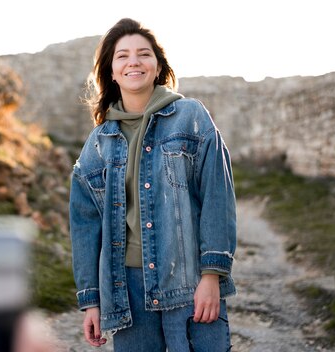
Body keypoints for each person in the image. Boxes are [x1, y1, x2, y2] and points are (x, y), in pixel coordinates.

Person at [69, 18, 236, 352]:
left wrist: (212, 275)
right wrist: (91, 301)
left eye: (143, 54)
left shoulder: (191, 117)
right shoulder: (97, 144)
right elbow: (84, 227)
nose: (134, 61)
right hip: (126, 291)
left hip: (188, 281)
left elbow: (218, 197)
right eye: (122, 56)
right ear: (111, 72)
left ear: (157, 66)